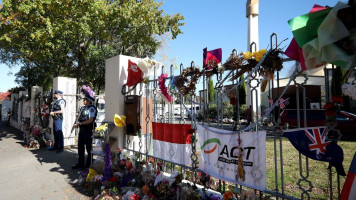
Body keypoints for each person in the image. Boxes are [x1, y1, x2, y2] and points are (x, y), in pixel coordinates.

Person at [72, 94, 97, 170]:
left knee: (89, 148)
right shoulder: (83, 108)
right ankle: (80, 163)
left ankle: (89, 164)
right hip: (82, 130)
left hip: (88, 130)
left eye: (85, 100)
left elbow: (90, 120)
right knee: (80, 147)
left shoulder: (92, 108)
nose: (83, 101)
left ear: (89, 101)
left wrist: (80, 123)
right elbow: (81, 117)